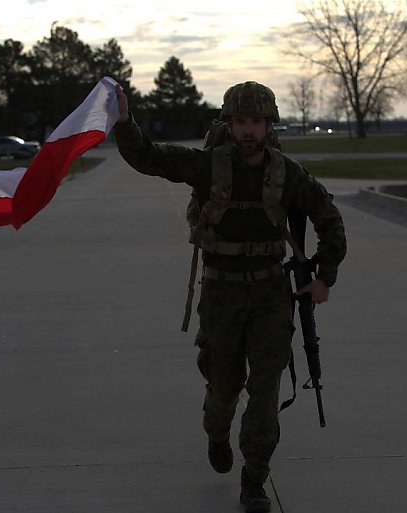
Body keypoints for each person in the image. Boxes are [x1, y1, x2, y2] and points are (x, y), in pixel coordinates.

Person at [112, 82, 347, 512]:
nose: (249, 130)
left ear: (269, 124)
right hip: (221, 292)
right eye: (240, 121)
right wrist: (126, 122)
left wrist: (324, 277)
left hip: (269, 294)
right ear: (229, 124)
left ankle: (254, 478)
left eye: (257, 121)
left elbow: (329, 218)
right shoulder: (207, 166)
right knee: (223, 389)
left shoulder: (286, 173)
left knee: (265, 389)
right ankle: (216, 432)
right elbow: (150, 157)